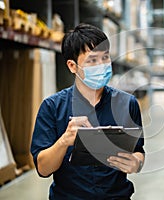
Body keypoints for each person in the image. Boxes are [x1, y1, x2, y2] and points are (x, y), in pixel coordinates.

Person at [30, 23, 145, 200]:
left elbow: (138, 151)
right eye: (92, 60)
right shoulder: (52, 107)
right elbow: (43, 169)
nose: (102, 65)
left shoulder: (127, 104)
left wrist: (136, 163)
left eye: (105, 58)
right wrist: (63, 142)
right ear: (72, 66)